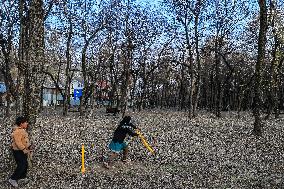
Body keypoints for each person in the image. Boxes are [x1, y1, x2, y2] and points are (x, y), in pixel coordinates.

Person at [8, 116, 32, 187]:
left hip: (23, 150)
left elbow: (24, 140)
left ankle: (22, 178)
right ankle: (12, 179)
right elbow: (18, 142)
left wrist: (29, 147)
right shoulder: (18, 131)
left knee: (25, 164)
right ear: (21, 123)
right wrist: (24, 149)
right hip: (18, 151)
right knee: (21, 165)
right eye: (25, 122)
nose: (27, 123)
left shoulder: (22, 130)